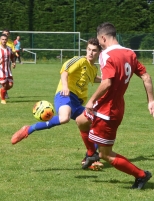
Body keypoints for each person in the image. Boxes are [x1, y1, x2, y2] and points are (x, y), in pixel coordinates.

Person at [76, 22, 154, 189]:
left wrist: (91, 100)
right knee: (81, 121)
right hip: (110, 105)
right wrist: (151, 100)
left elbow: (107, 82)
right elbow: (146, 77)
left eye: (99, 42)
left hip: (108, 111)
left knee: (106, 154)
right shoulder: (130, 53)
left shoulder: (106, 55)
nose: (99, 45)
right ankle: (91, 154)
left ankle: (141, 175)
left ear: (103, 38)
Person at [11, 38, 103, 170]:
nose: (90, 53)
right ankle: (28, 129)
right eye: (89, 49)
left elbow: (93, 78)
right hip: (65, 95)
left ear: (99, 52)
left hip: (77, 103)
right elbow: (64, 72)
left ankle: (89, 158)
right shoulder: (79, 60)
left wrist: (107, 80)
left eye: (94, 51)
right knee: (64, 118)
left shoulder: (93, 68)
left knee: (99, 124)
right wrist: (65, 86)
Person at [0, 34, 16, 104]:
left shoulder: (9, 49)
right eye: (2, 39)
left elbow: (12, 57)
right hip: (0, 70)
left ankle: (1, 90)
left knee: (10, 85)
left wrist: (14, 63)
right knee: (4, 85)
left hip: (8, 70)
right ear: (0, 40)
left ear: (7, 40)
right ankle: (3, 99)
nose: (4, 41)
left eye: (5, 39)